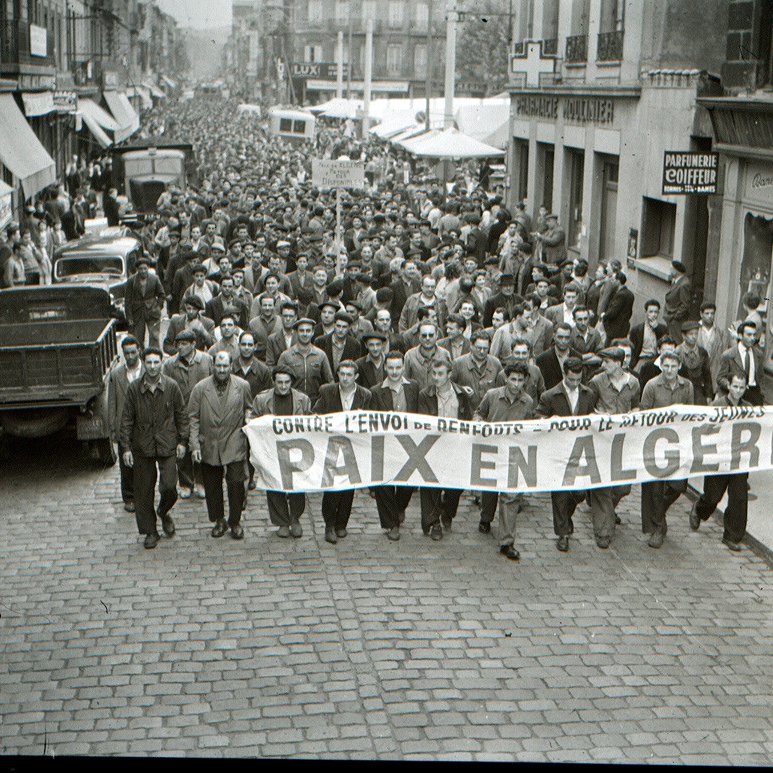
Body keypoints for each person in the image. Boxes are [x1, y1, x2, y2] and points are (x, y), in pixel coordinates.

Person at [119, 347, 188, 549]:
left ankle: (164, 511)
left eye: (156, 362)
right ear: (144, 364)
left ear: (161, 363)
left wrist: (183, 442)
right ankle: (150, 531)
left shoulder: (171, 387)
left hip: (167, 444)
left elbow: (182, 415)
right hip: (143, 446)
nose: (152, 367)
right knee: (143, 491)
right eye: (148, 363)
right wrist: (126, 448)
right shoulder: (134, 389)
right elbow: (126, 420)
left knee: (169, 486)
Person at [188, 351, 253, 540]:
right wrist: (195, 446)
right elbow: (192, 417)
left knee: (235, 483)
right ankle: (218, 520)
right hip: (209, 441)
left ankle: (235, 521)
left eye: (225, 366)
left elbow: (249, 407)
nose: (222, 370)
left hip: (234, 438)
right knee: (212, 484)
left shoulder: (242, 386)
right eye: (218, 366)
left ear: (231, 366)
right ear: (213, 366)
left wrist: (248, 417)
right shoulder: (200, 388)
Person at [473, 361, 534, 560]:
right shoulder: (492, 396)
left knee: (510, 496)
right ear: (506, 378)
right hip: (492, 450)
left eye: (520, 380)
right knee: (490, 490)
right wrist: (479, 422)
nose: (516, 384)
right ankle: (486, 517)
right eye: (513, 379)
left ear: (525, 381)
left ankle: (507, 542)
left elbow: (530, 427)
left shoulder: (527, 402)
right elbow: (478, 413)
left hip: (514, 454)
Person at [536, 357, 597, 552]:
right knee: (560, 493)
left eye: (578, 380)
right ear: (564, 375)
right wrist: (547, 420)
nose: (575, 384)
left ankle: (567, 516)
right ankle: (562, 533)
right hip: (558, 452)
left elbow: (592, 415)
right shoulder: (549, 396)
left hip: (580, 451)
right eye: (571, 380)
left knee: (579, 492)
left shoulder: (588, 394)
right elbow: (537, 418)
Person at [689, 373, 751, 552]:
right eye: (735, 386)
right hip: (718, 460)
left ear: (746, 388)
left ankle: (732, 536)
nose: (738, 391)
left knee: (739, 498)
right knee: (712, 496)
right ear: (729, 386)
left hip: (739, 461)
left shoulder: (748, 408)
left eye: (741, 387)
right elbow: (704, 429)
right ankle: (699, 509)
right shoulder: (716, 406)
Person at [639, 350, 694, 548]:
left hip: (677, 444)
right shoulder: (652, 386)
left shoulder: (687, 386)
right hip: (655, 443)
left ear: (679, 366)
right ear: (661, 366)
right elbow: (643, 415)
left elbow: (690, 414)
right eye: (666, 366)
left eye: (673, 366)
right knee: (654, 489)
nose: (669, 370)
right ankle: (657, 529)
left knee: (678, 486)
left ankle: (658, 515)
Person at [587, 347, 641, 546]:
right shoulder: (596, 382)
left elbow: (636, 405)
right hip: (602, 440)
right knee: (602, 485)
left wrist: (634, 415)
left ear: (619, 363)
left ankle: (605, 509)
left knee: (623, 487)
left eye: (607, 362)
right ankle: (603, 531)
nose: (603, 366)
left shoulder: (633, 383)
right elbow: (588, 408)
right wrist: (598, 415)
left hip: (624, 441)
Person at [249, 367, 312, 538]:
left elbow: (310, 422)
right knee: (274, 484)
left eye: (287, 382)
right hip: (271, 449)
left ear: (291, 382)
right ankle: (281, 521)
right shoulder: (262, 400)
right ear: (274, 382)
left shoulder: (303, 400)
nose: (283, 386)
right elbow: (252, 420)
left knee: (297, 485)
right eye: (280, 382)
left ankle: (295, 518)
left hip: (296, 449)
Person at [313, 360, 372, 544]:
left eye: (349, 375)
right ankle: (329, 524)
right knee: (332, 487)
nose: (345, 378)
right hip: (332, 445)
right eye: (342, 374)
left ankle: (341, 524)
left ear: (356, 376)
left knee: (349, 487)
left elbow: (371, 421)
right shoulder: (327, 391)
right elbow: (316, 413)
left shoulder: (365, 395)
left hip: (353, 446)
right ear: (337, 374)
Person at [417, 359, 472, 540]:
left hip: (456, 446)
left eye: (441, 374)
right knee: (430, 485)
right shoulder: (425, 395)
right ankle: (433, 523)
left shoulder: (462, 394)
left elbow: (468, 418)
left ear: (450, 374)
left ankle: (447, 511)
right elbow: (422, 420)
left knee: (455, 486)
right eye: (434, 373)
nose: (436, 378)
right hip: (433, 446)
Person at [370, 351, 421, 540]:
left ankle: (400, 507)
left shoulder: (413, 387)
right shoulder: (376, 391)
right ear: (385, 368)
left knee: (407, 483)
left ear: (403, 367)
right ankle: (391, 523)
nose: (394, 371)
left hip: (409, 443)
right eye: (390, 367)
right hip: (386, 443)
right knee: (384, 484)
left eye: (398, 367)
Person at [162, 329, 213, 499]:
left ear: (193, 344)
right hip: (180, 412)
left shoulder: (206, 360)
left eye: (184, 344)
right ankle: (185, 482)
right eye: (178, 345)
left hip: (202, 410)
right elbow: (166, 388)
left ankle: (201, 481)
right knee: (182, 447)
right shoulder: (170, 365)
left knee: (201, 446)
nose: (180, 348)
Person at [108, 336, 143, 513]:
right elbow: (112, 402)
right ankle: (129, 497)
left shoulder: (148, 370)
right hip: (125, 425)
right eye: (126, 353)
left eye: (133, 352)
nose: (130, 356)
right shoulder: (116, 375)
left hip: (144, 425)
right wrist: (113, 429)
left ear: (139, 351)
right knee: (126, 463)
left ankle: (144, 494)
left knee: (144, 462)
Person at [276, 318, 334, 404]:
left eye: (308, 331)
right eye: (302, 331)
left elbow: (330, 381)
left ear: (312, 332)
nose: (305, 334)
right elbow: (277, 381)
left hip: (315, 402)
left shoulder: (321, 355)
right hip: (293, 402)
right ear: (296, 332)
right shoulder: (286, 356)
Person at [451, 331, 504, 413]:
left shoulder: (495, 363)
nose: (482, 351)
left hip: (489, 413)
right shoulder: (458, 363)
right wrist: (461, 389)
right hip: (465, 413)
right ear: (471, 346)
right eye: (479, 348)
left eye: (485, 348)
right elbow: (447, 384)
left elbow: (503, 388)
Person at [716, 321, 765, 406]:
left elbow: (760, 376)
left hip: (753, 395)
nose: (752, 338)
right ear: (740, 335)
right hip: (735, 396)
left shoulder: (758, 354)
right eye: (749, 335)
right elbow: (720, 378)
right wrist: (733, 387)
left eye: (754, 335)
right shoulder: (729, 355)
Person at [124, 257, 165, 349]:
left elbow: (162, 294)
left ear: (148, 268)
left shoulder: (154, 279)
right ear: (137, 270)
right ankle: (141, 356)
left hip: (152, 311)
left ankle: (154, 353)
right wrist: (129, 317)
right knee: (138, 337)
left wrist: (158, 307)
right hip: (137, 312)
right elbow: (127, 300)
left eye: (145, 268)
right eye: (140, 269)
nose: (143, 271)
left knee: (154, 336)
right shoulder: (131, 281)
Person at [404, 322, 452, 391]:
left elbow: (450, 381)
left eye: (431, 335)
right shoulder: (409, 356)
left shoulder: (445, 354)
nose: (427, 338)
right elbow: (405, 381)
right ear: (419, 336)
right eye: (424, 335)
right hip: (417, 399)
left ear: (437, 335)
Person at [676, 321, 713, 405]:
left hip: (698, 391)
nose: (694, 337)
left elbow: (707, 375)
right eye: (691, 334)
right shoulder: (677, 352)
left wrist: (708, 396)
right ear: (684, 335)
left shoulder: (702, 352)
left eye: (696, 334)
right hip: (680, 390)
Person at [664, 260, 692, 342]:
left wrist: (675, 318)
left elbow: (685, 304)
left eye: (671, 269)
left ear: (676, 271)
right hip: (671, 318)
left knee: (677, 340)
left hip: (676, 321)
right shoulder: (676, 281)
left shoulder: (684, 284)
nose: (670, 271)